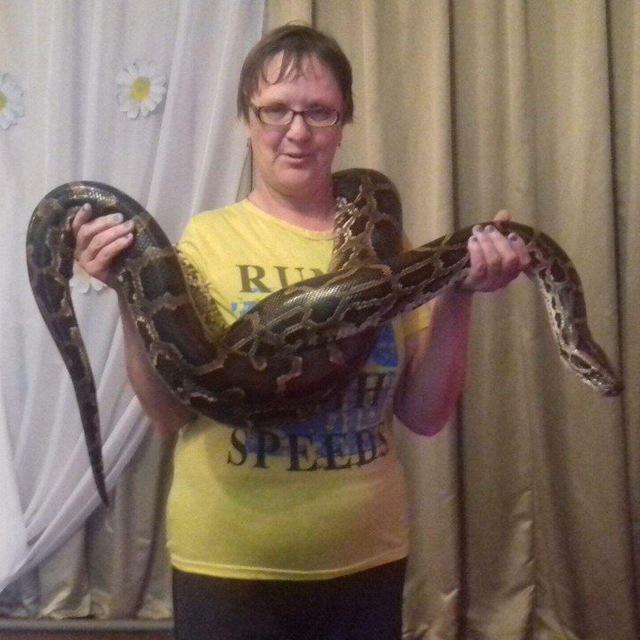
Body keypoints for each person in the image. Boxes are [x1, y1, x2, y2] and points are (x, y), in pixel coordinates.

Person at [73, 24, 530, 640]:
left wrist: (460, 294)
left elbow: (425, 416)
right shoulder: (206, 242)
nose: (297, 130)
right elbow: (169, 413)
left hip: (364, 561)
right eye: (275, 109)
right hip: (228, 566)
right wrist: (131, 294)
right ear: (246, 119)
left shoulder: (395, 252)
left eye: (319, 111)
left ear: (343, 123)